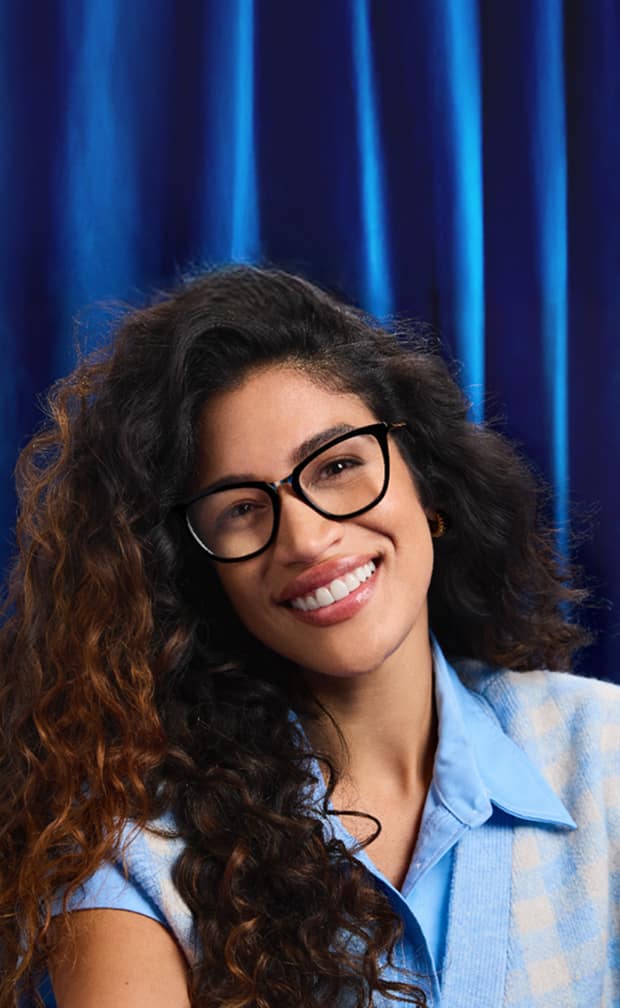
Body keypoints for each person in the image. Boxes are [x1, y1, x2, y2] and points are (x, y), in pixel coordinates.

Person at [0, 266, 618, 1008]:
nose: (306, 537)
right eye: (240, 509)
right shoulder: (132, 851)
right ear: (197, 574)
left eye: (338, 465)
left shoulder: (604, 751)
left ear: (427, 482)